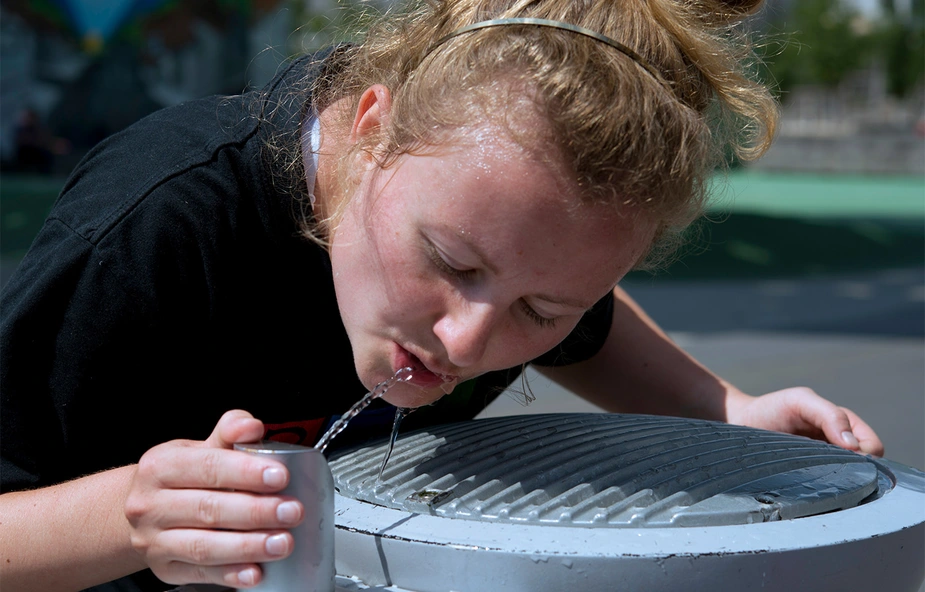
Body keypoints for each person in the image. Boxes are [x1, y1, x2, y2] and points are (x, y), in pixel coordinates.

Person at [0, 1, 884, 590]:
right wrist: (132, 516)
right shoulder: (152, 232)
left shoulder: (505, 250)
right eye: (452, 264)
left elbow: (592, 329)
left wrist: (722, 407)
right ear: (371, 126)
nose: (465, 343)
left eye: (541, 310)